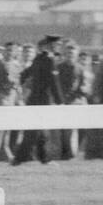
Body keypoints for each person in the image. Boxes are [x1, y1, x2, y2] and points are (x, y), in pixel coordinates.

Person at [12, 35, 63, 166]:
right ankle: (21, 158)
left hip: (33, 99)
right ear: (52, 46)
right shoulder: (49, 60)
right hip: (43, 100)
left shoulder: (38, 58)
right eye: (57, 45)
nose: (59, 47)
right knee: (36, 131)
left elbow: (26, 73)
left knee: (39, 132)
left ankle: (41, 158)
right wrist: (60, 101)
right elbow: (54, 83)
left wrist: (18, 81)